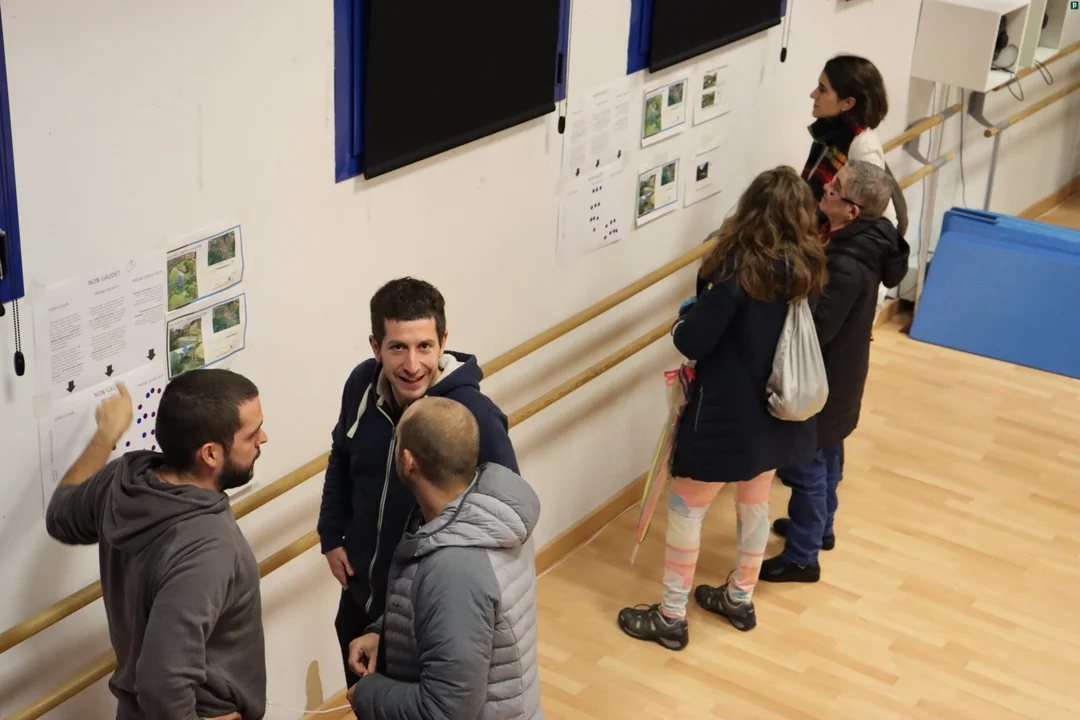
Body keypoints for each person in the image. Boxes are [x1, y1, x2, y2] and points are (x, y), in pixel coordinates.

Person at [617, 166, 829, 646]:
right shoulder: (809, 269)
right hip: (778, 414)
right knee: (755, 502)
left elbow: (693, 340)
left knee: (686, 506)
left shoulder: (737, 272)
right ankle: (739, 596)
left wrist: (684, 319)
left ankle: (671, 616)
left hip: (727, 415)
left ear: (751, 209)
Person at [318, 277, 519, 688]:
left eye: (424, 346)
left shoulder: (476, 417)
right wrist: (331, 532)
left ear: (443, 341)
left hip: (421, 614)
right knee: (365, 700)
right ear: (376, 347)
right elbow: (341, 454)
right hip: (358, 597)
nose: (412, 365)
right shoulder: (360, 385)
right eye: (398, 348)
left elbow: (506, 518)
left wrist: (397, 619)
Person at [45, 369, 270, 720]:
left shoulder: (122, 482)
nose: (263, 439)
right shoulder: (209, 546)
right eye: (252, 434)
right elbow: (162, 682)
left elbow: (60, 514)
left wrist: (105, 438)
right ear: (210, 454)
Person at [345, 396, 542, 720]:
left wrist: (368, 693)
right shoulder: (481, 514)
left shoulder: (454, 570)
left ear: (408, 461)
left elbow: (446, 710)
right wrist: (384, 633)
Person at [761, 160, 910, 583]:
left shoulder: (846, 263)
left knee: (806, 467)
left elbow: (818, 328)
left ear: (852, 211)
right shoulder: (869, 241)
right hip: (844, 374)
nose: (826, 186)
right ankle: (820, 528)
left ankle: (802, 557)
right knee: (829, 452)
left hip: (823, 378)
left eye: (836, 187)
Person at [803, 54, 903, 233]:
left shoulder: (863, 146)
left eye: (822, 90)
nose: (813, 95)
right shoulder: (830, 132)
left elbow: (886, 221)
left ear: (848, 103)